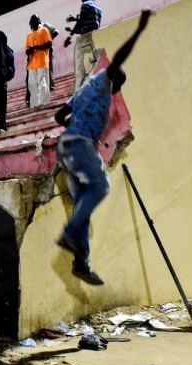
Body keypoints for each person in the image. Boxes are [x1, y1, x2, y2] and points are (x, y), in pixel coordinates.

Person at [54, 9, 153, 285]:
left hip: (67, 149)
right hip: (79, 146)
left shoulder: (82, 92)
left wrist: (76, 125)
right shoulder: (102, 83)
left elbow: (58, 116)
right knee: (101, 187)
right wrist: (140, 29)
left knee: (83, 204)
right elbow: (118, 59)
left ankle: (81, 263)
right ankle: (70, 233)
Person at [64, 0, 103, 86]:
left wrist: (69, 36)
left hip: (86, 40)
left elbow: (81, 21)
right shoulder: (98, 8)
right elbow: (88, 25)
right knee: (94, 66)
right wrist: (74, 25)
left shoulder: (85, 5)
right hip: (95, 38)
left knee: (82, 70)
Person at [25, 14, 53, 108]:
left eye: (36, 20)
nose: (34, 22)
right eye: (32, 20)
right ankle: (34, 105)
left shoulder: (44, 30)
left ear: (39, 22)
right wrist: (29, 50)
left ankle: (43, 104)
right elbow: (27, 51)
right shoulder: (29, 35)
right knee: (32, 85)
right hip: (31, 64)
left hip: (42, 61)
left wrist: (35, 47)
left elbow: (49, 44)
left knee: (42, 82)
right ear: (30, 23)